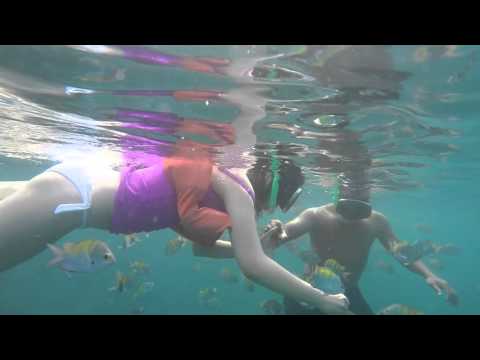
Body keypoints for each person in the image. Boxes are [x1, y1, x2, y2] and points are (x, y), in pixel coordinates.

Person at [0, 80, 351, 314]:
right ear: (276, 186)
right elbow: (254, 266)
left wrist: (258, 244)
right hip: (70, 202)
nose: (274, 209)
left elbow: (202, 247)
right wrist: (321, 298)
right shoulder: (240, 194)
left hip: (75, 187)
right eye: (282, 200)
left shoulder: (226, 180)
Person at [260, 181, 459, 315]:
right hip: (308, 291)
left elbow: (399, 251)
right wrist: (277, 230)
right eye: (348, 208)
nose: (353, 216)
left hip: (348, 291)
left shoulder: (377, 221)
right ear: (338, 197)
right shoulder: (315, 215)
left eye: (360, 209)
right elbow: (285, 232)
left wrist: (428, 274)